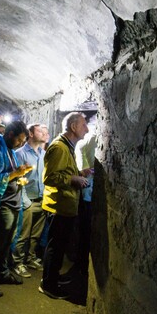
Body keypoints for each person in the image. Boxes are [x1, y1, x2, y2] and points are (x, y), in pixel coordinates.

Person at [40, 112, 93, 300]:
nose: (86, 128)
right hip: (59, 205)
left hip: (65, 205)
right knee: (55, 246)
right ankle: (49, 285)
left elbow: (64, 171)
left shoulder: (67, 147)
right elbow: (49, 177)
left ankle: (51, 278)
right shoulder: (59, 148)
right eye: (84, 124)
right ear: (73, 127)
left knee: (59, 246)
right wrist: (73, 179)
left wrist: (80, 173)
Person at [0, 121, 32, 297]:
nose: (21, 144)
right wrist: (16, 174)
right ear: (10, 135)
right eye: (20, 140)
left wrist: (19, 177)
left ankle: (2, 273)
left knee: (7, 242)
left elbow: (10, 173)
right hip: (3, 204)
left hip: (14, 202)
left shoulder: (9, 149)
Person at [11, 123, 49, 278]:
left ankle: (30, 258)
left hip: (41, 198)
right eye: (40, 131)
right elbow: (19, 178)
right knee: (22, 234)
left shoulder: (43, 153)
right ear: (31, 134)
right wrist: (25, 202)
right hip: (28, 201)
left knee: (36, 235)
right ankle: (17, 263)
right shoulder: (20, 153)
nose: (45, 133)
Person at [74, 129, 97, 277]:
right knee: (84, 234)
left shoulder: (90, 138)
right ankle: (81, 268)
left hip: (89, 195)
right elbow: (80, 147)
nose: (86, 129)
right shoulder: (92, 137)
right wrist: (84, 167)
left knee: (85, 234)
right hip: (87, 195)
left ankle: (81, 268)